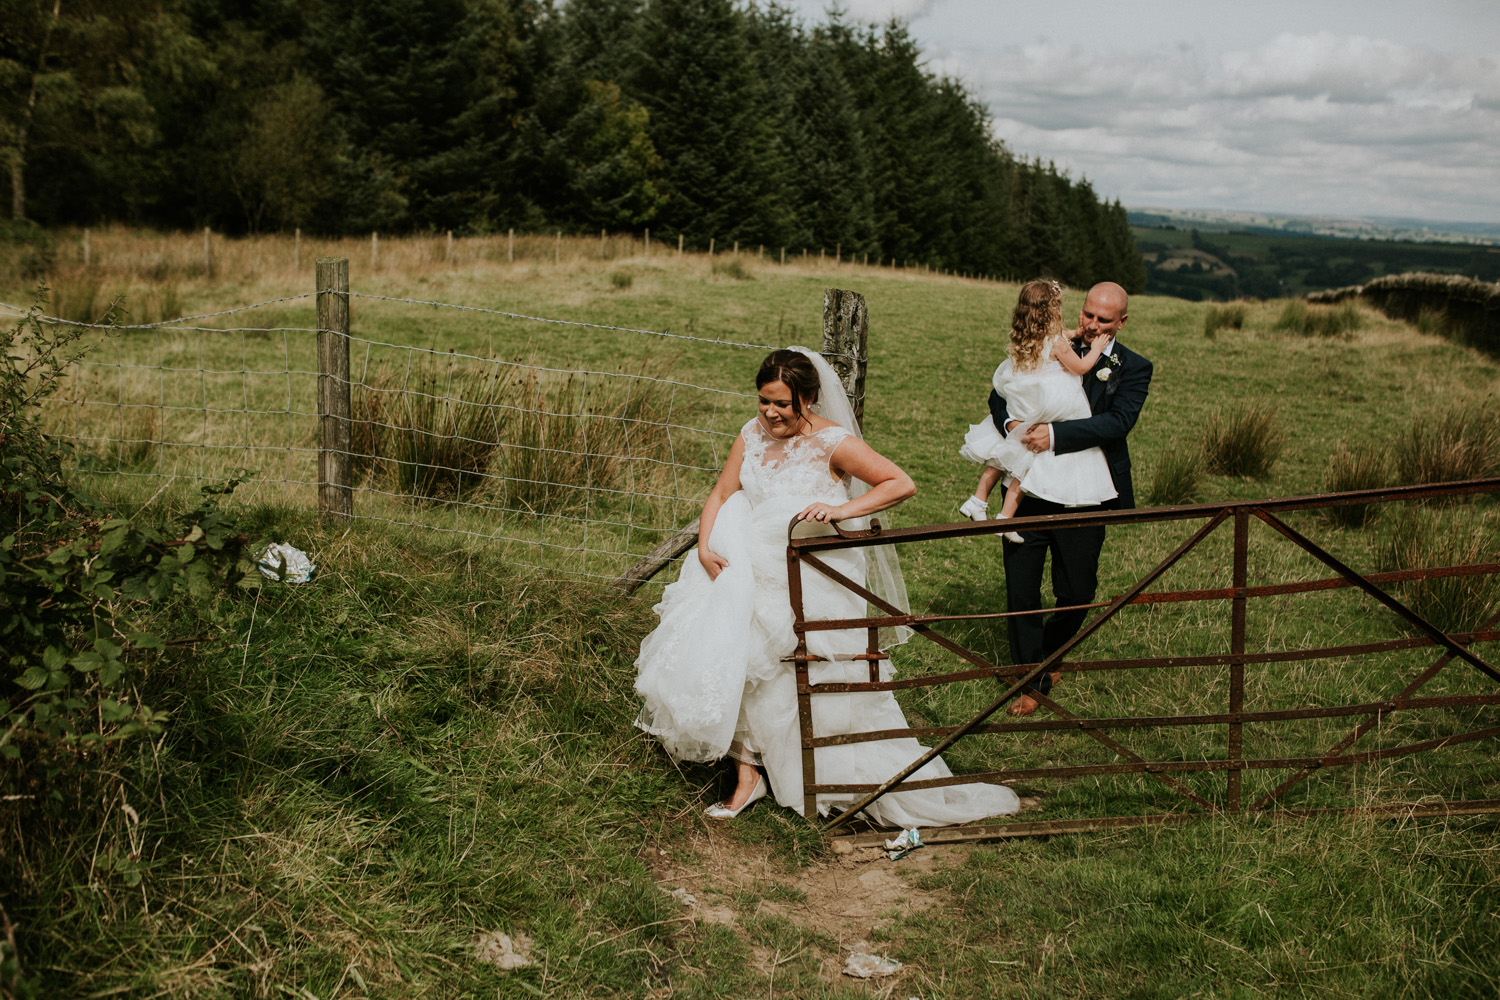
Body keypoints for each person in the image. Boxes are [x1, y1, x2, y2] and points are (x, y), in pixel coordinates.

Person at [635, 348, 1020, 825]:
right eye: (763, 401)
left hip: (813, 579)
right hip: (749, 570)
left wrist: (840, 510)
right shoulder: (749, 436)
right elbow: (721, 492)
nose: (770, 413)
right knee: (741, 664)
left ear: (809, 399)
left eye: (782, 404)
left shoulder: (832, 443)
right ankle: (747, 776)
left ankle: (827, 771)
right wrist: (703, 546)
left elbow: (899, 483)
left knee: (804, 676)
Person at [988, 282, 1153, 716]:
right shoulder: (1042, 340)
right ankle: (1030, 679)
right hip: (1026, 490)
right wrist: (1010, 425)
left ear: (1121, 322)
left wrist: (1055, 435)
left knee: (1077, 590)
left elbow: (1118, 422)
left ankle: (1050, 652)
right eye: (1087, 315)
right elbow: (1000, 390)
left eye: (1102, 320)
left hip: (1085, 494)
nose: (1091, 324)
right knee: (1020, 589)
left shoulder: (1132, 366)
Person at [958, 280, 1118, 542]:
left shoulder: (1029, 335)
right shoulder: (1057, 343)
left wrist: (1073, 333)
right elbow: (1079, 367)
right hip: (1045, 407)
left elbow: (1058, 336)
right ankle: (1004, 519)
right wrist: (1097, 350)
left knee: (1001, 458)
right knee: (1024, 466)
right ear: (1052, 311)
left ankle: (977, 500)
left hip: (1024, 404)